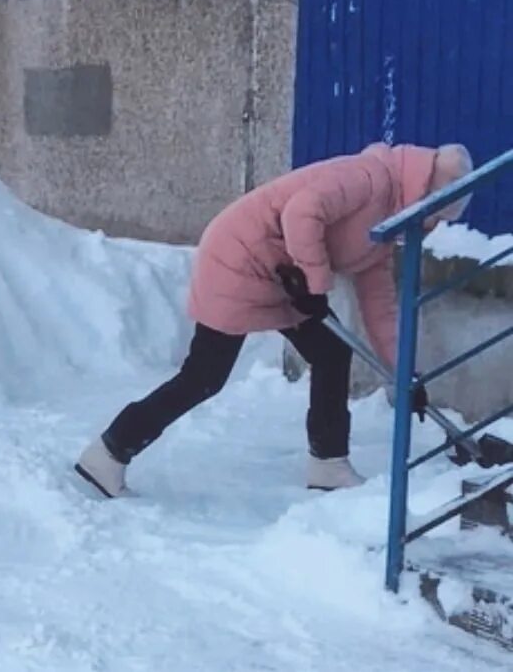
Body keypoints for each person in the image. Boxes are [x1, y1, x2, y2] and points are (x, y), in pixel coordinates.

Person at [75, 142, 474, 498]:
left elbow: (381, 308)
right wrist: (316, 286)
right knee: (205, 376)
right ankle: (109, 452)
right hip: (240, 257)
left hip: (284, 277)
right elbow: (303, 212)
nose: (434, 226)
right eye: (437, 215)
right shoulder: (368, 178)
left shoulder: (386, 229)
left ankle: (329, 463)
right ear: (425, 194)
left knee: (331, 352)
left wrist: (405, 373)